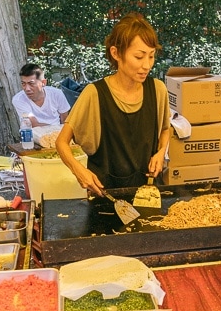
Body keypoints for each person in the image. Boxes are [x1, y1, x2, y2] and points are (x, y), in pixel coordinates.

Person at [56, 12, 170, 196]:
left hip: (149, 193)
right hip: (105, 196)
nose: (147, 65)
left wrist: (161, 153)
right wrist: (79, 171)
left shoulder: (158, 90)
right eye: (139, 57)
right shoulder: (95, 94)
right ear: (116, 53)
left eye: (151, 56)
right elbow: (61, 142)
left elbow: (166, 129)